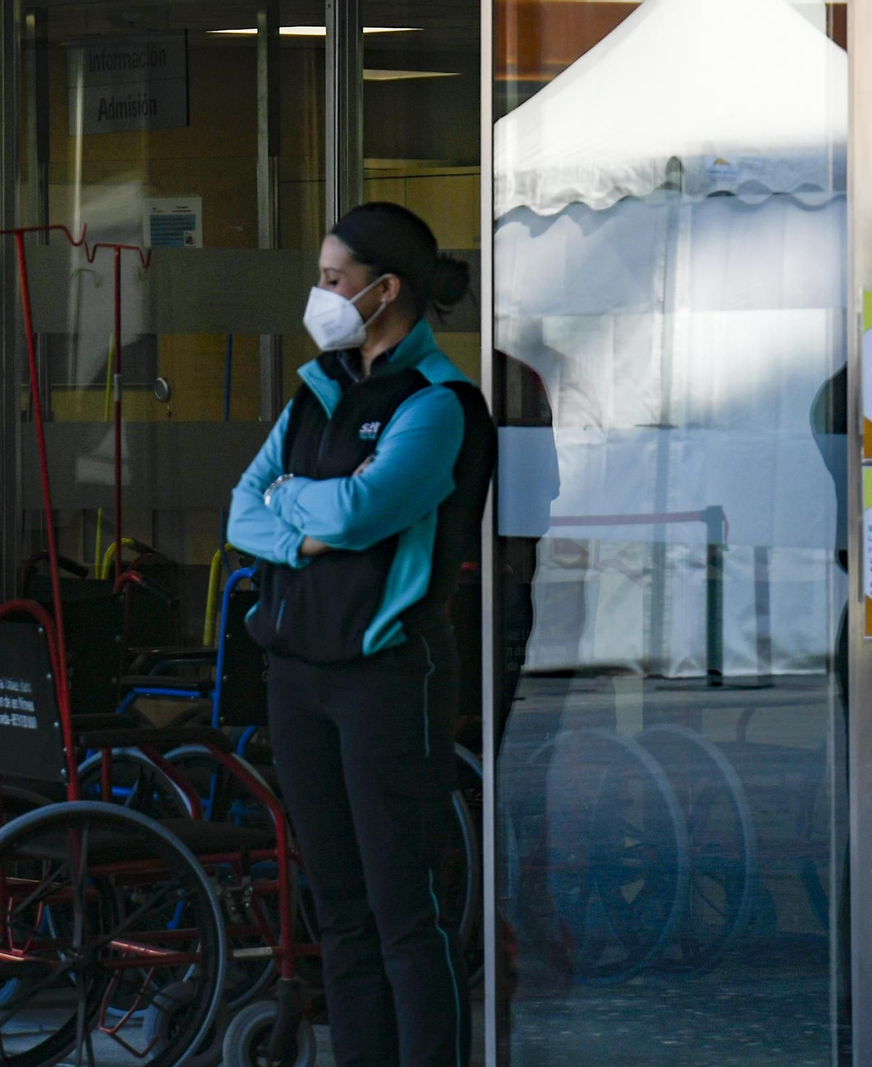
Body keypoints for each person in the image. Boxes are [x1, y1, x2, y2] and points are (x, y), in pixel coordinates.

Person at [228, 202, 496, 1067]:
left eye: (334, 278)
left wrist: (300, 509)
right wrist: (310, 518)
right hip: (298, 673)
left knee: (402, 911)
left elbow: (362, 512)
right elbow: (241, 509)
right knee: (337, 910)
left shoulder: (441, 403)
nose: (321, 292)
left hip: (388, 676)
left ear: (385, 290)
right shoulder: (318, 390)